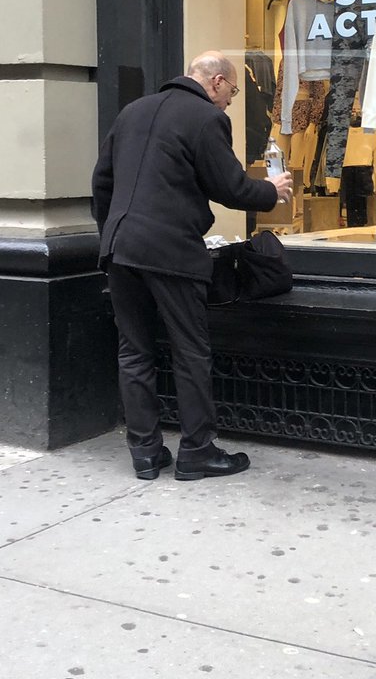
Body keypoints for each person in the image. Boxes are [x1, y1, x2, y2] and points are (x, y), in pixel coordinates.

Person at [91, 51, 293, 481]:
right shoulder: (205, 118)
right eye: (233, 92)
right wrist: (270, 190)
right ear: (217, 82)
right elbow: (231, 188)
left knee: (134, 351)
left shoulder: (132, 112)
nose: (230, 102)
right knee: (190, 351)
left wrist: (112, 233)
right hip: (170, 250)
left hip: (120, 249)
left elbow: (101, 183)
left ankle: (145, 452)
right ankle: (198, 450)